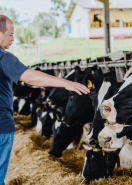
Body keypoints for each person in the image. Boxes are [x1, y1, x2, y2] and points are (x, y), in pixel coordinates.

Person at [0, 14, 90, 185]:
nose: (13, 39)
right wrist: (65, 83)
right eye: (10, 34)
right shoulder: (3, 57)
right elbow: (30, 78)